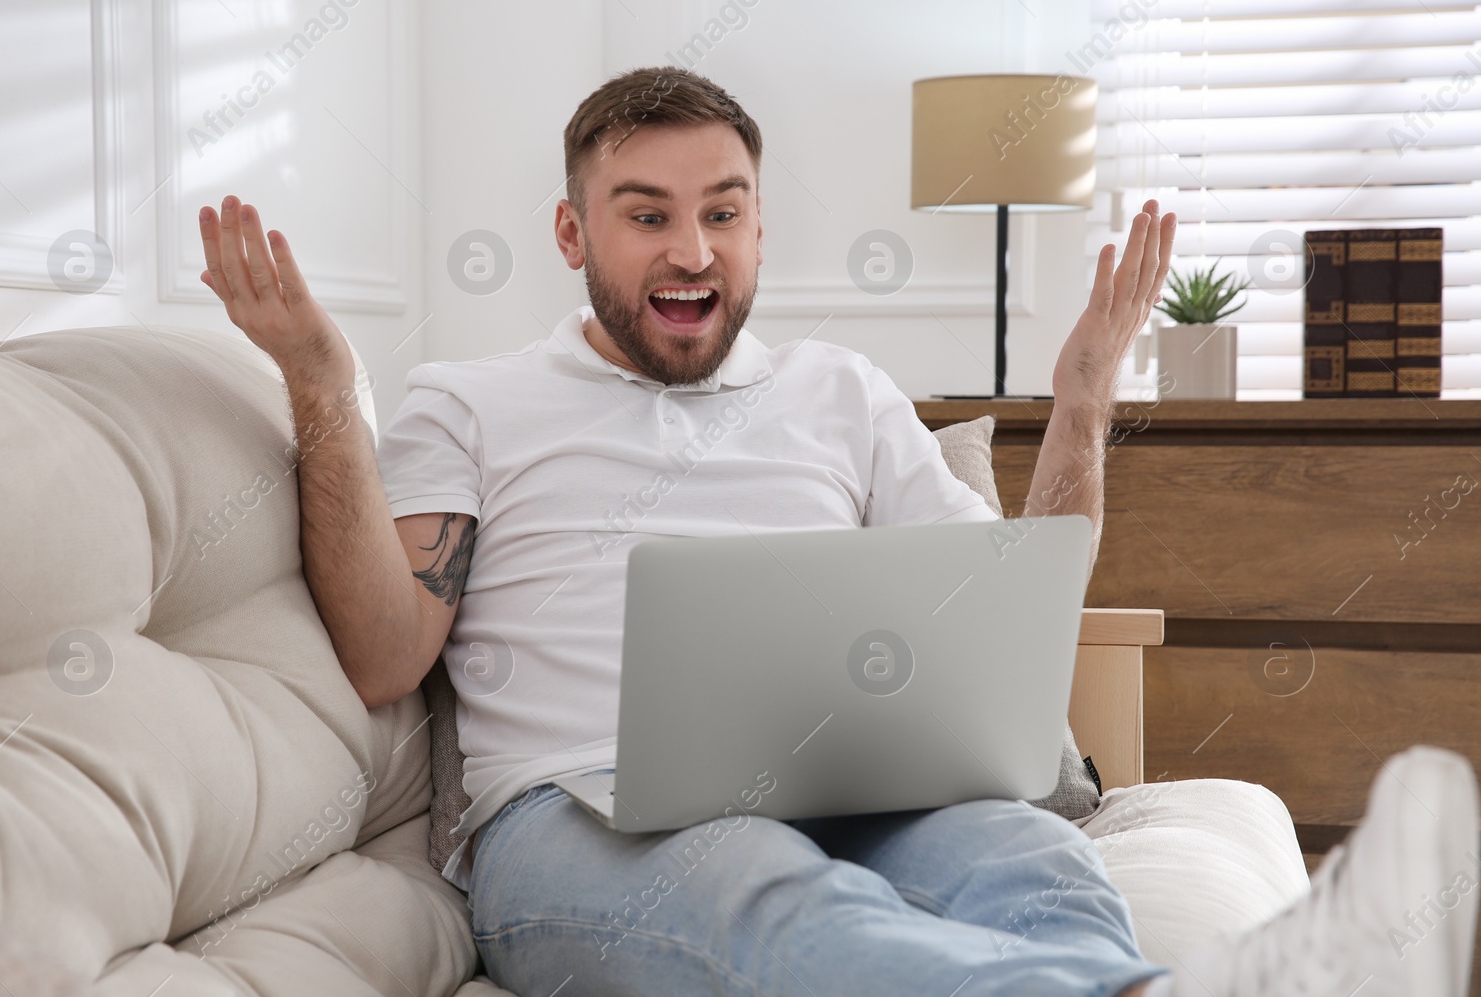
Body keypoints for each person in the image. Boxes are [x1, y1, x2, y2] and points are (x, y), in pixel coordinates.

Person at [195, 66, 1479, 996]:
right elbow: (380, 654)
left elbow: (1007, 617)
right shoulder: (467, 401)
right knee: (756, 882)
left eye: (724, 209)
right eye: (645, 213)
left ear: (760, 223)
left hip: (869, 789)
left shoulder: (844, 393)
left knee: (1029, 859)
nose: (690, 247)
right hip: (579, 813)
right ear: (573, 232)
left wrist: (1081, 399)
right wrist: (319, 379)